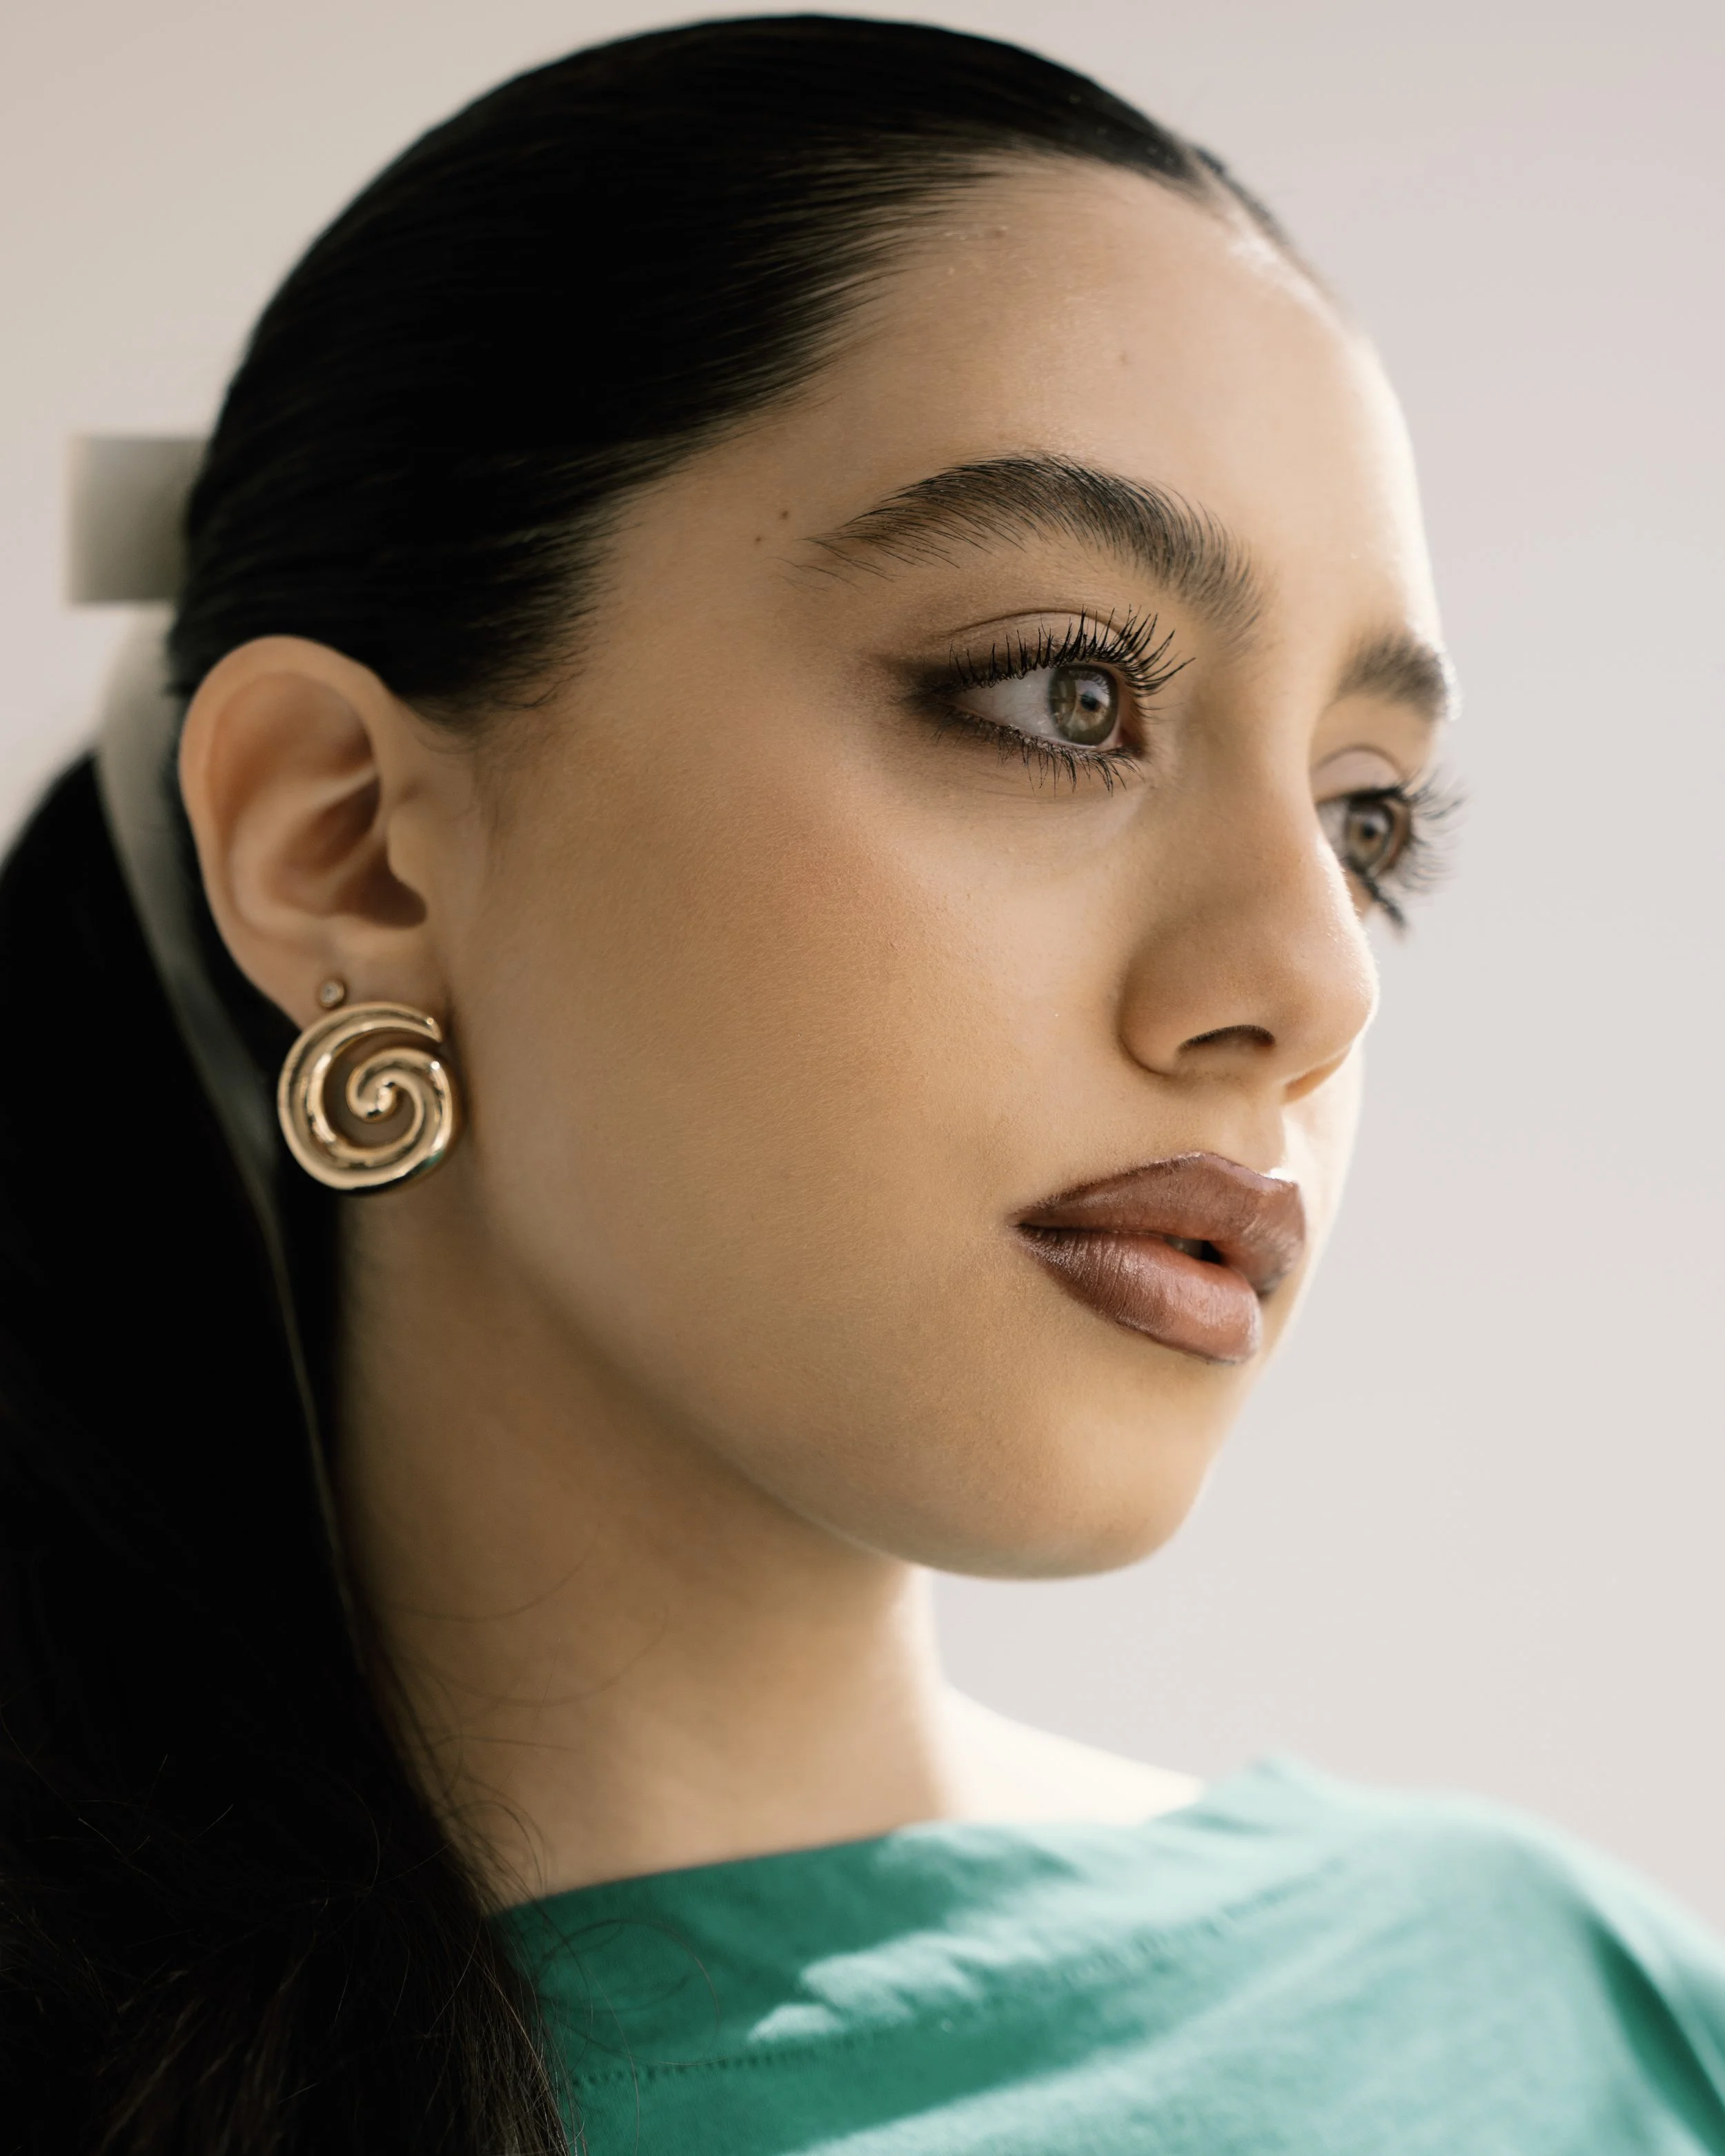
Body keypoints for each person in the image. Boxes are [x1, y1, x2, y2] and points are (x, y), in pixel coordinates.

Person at [3, 17, 1722, 2153]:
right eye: (1059, 692)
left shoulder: (1567, 2037)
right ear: (345, 838)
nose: (1305, 980)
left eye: (1366, 819)